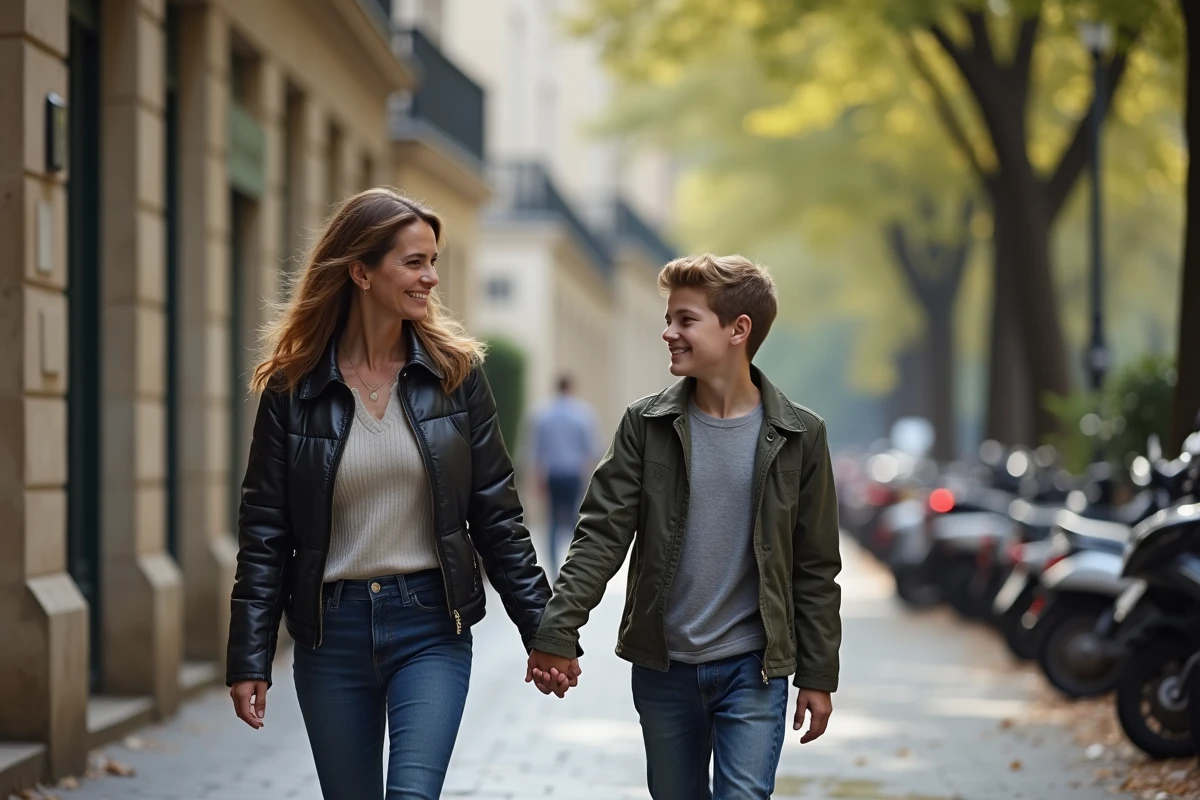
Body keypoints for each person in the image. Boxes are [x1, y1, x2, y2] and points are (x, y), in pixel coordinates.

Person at [225, 188, 577, 800]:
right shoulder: (293, 387)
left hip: (431, 625)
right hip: (331, 634)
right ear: (361, 272)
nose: (431, 278)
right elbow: (265, 532)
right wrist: (249, 656)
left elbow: (496, 516)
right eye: (414, 263)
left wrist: (544, 631)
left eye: (433, 262)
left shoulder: (456, 375)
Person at [526, 254, 843, 799]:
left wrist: (818, 674)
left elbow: (815, 567)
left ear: (738, 330)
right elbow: (600, 537)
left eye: (686, 320)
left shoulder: (801, 436)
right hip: (664, 668)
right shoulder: (644, 425)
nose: (668, 332)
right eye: (668, 318)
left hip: (753, 669)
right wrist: (558, 631)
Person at [531, 375, 600, 575]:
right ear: (571, 388)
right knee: (574, 521)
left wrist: (537, 480)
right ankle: (574, 568)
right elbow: (593, 450)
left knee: (552, 523)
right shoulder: (583, 414)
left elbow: (536, 452)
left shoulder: (543, 414)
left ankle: (554, 571)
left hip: (552, 475)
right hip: (573, 474)